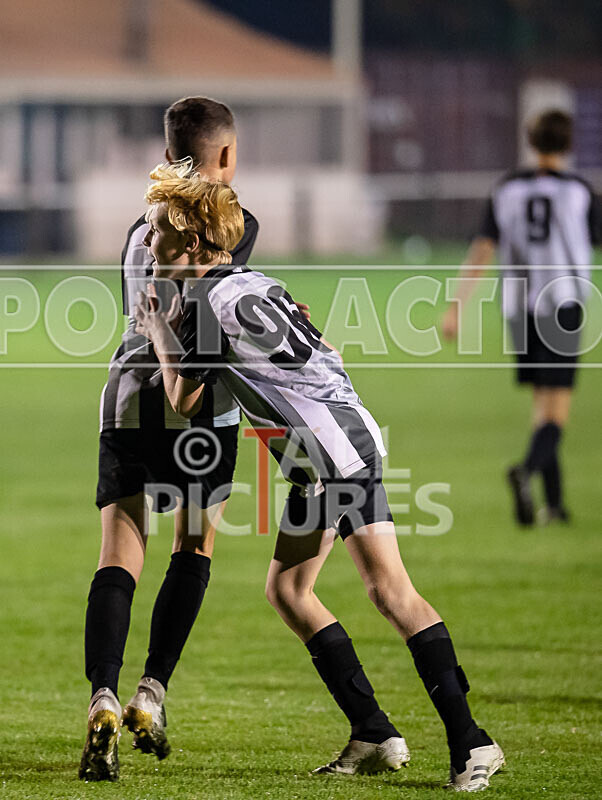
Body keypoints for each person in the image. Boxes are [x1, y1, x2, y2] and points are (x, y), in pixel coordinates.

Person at [134, 161, 504, 792]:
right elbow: (327, 350)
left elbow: (183, 401)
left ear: (191, 242)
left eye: (157, 230)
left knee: (388, 593)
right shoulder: (256, 283)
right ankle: (374, 732)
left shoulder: (200, 308)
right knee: (292, 590)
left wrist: (160, 330)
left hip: (329, 455)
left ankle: (472, 741)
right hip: (342, 442)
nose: (147, 240)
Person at [80, 97, 259, 782]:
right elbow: (225, 306)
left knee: (119, 552)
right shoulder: (228, 223)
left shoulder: (141, 225)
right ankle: (150, 694)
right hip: (197, 402)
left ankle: (101, 697)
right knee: (192, 545)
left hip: (127, 393)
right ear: (226, 155)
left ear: (167, 151)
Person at [441, 110, 599, 527]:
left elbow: (482, 249)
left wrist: (456, 306)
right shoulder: (579, 191)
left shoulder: (507, 189)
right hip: (563, 305)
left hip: (519, 308)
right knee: (557, 412)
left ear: (531, 142)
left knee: (542, 406)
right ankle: (526, 472)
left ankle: (555, 506)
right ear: (569, 143)